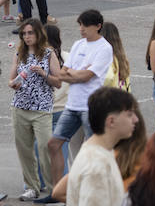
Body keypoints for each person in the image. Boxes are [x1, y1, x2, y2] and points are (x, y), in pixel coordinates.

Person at [47, 10, 113, 191]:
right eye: (80, 25)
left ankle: (96, 188)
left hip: (90, 106)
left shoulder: (104, 48)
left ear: (98, 26)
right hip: (72, 105)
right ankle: (58, 189)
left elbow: (87, 76)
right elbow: (62, 73)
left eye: (85, 25)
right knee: (53, 144)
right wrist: (77, 74)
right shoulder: (78, 45)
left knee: (94, 151)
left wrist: (74, 74)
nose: (81, 29)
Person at [9, 19, 61, 202]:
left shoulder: (48, 54)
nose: (27, 37)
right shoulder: (19, 53)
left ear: (39, 34)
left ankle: (53, 188)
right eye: (24, 34)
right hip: (20, 106)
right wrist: (13, 84)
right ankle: (31, 187)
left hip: (42, 108)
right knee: (24, 150)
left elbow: (58, 81)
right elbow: (11, 79)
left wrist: (42, 73)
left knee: (46, 147)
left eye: (30, 33)